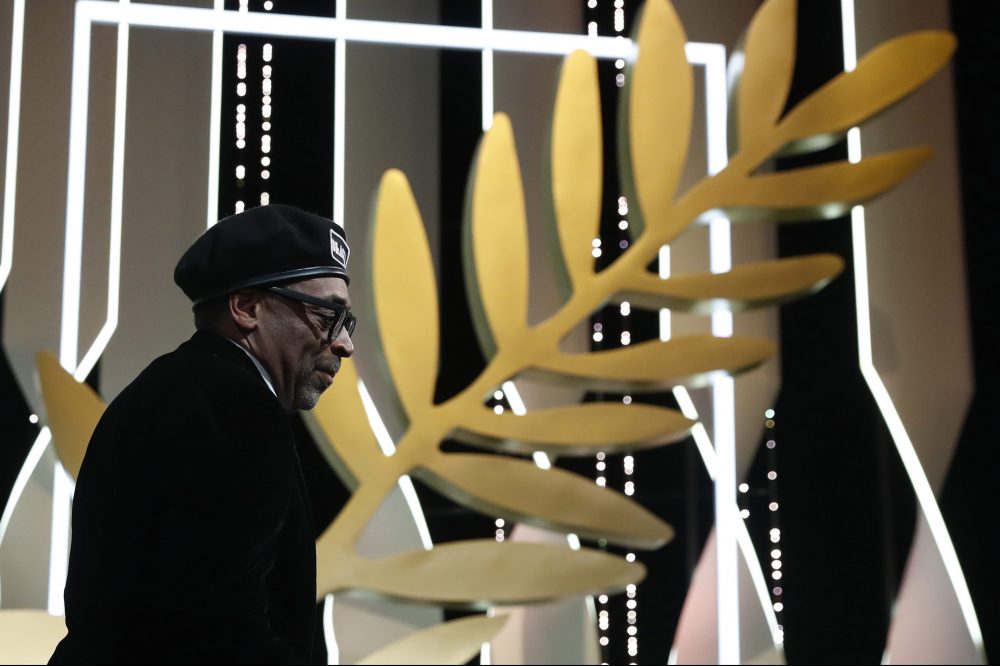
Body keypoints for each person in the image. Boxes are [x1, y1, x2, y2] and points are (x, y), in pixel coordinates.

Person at [49, 204, 356, 664]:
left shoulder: (168, 388)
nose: (344, 343)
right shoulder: (238, 406)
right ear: (247, 307)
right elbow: (218, 631)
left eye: (347, 322)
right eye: (327, 315)